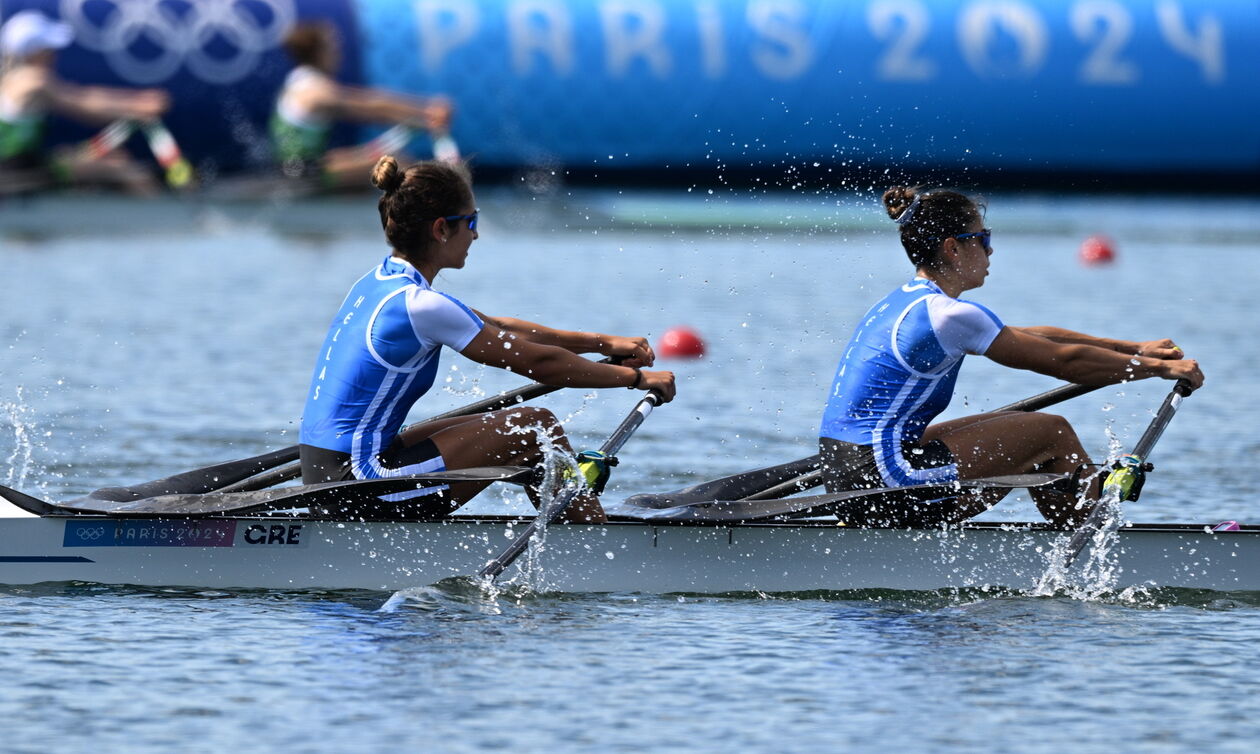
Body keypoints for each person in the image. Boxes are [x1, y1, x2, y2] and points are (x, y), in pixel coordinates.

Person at [298, 156, 675, 523]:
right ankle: (593, 547)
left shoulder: (379, 283)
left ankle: (578, 526)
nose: (476, 234)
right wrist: (637, 379)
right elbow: (540, 364)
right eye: (471, 221)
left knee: (493, 424)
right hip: (360, 486)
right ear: (442, 229)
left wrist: (604, 344)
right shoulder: (420, 305)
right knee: (534, 428)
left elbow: (498, 327)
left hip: (326, 476)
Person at [818, 186, 1204, 528]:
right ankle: (1095, 543)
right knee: (1048, 432)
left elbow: (1028, 337)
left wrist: (1133, 350)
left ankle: (1078, 523)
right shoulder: (949, 314)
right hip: (884, 477)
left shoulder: (909, 303)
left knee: (1008, 424)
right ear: (953, 248)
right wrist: (1159, 369)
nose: (990, 249)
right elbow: (1064, 363)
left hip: (847, 474)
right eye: (982, 238)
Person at [0, 10, 170, 195]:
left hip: (24, 163)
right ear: (33, 52)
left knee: (114, 158)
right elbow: (84, 105)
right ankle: (173, 220)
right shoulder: (33, 81)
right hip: (14, 170)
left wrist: (136, 102)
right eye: (48, 48)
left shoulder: (12, 79)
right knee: (125, 170)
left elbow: (84, 96)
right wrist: (137, 107)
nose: (54, 54)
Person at [271, 22, 454, 189]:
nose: (339, 54)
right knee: (400, 164)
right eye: (333, 48)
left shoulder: (298, 79)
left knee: (365, 155)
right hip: (303, 173)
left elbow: (373, 105)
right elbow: (373, 106)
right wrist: (426, 110)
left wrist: (421, 118)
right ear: (319, 53)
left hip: (304, 164)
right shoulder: (317, 91)